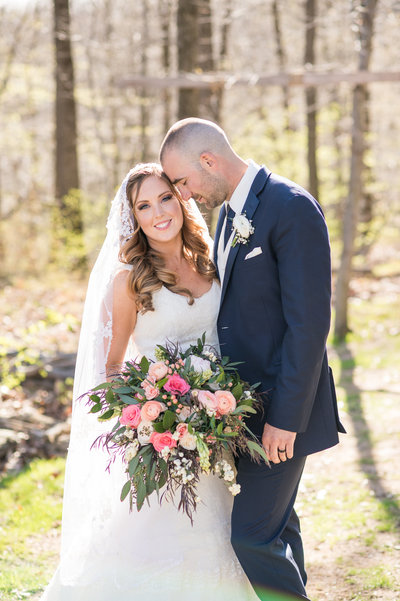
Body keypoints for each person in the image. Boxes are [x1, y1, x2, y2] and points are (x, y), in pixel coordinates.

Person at [40, 163, 259, 600]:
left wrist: (218, 408)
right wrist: (148, 418)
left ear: (181, 199)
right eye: (144, 205)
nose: (158, 212)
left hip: (220, 427)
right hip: (165, 438)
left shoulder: (211, 259)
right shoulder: (129, 281)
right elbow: (113, 367)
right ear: (133, 217)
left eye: (164, 197)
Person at [160, 119, 346, 601]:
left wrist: (285, 419)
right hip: (242, 413)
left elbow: (308, 327)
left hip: (284, 414)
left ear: (208, 161)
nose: (183, 195)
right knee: (277, 527)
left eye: (182, 182)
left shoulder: (291, 207)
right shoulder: (228, 216)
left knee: (252, 535)